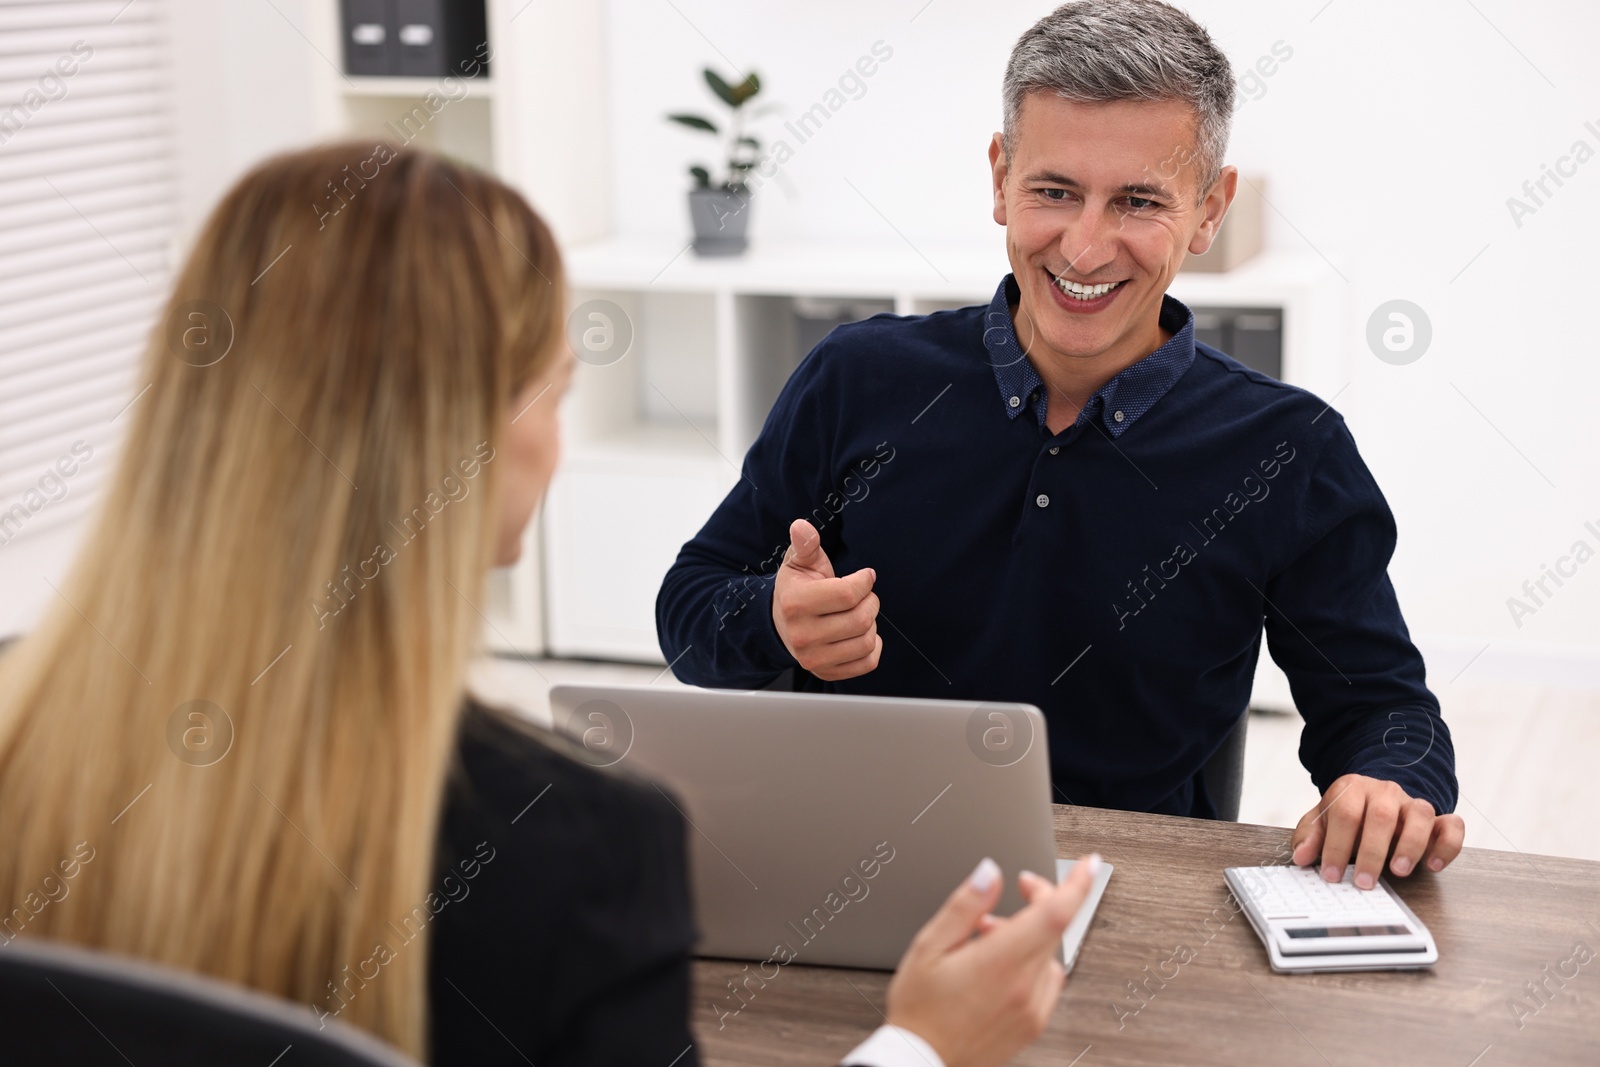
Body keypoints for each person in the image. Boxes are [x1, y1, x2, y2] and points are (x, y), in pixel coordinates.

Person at [0, 141, 1096, 1067]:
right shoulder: (572, 850)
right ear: (468, 439)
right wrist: (917, 1043)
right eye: (557, 388)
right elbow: (698, 597)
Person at [657, 0, 1465, 890]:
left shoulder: (1289, 448)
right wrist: (768, 616)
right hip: (856, 881)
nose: (1085, 245)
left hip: (1134, 910)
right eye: (1054, 191)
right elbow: (690, 606)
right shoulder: (856, 378)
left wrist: (1386, 782)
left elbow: (1386, 711)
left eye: (1139, 201)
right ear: (1000, 178)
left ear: (1208, 210)